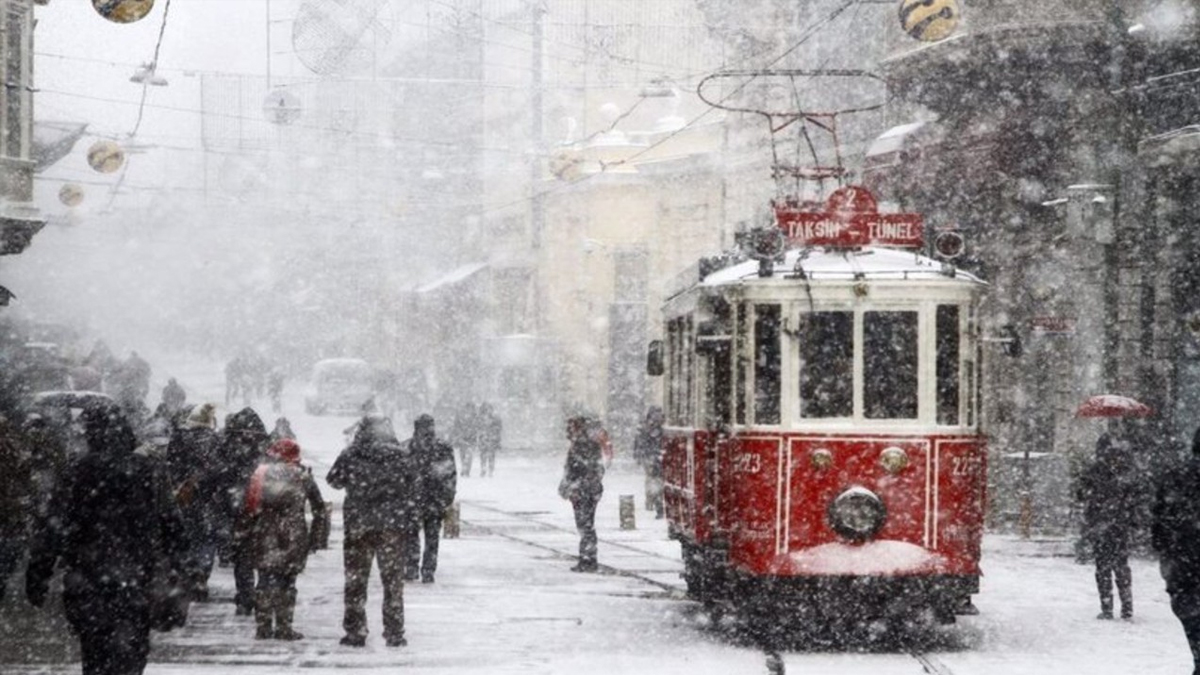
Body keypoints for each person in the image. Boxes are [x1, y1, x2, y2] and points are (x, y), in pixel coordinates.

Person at [26, 402, 187, 675]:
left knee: (95, 650)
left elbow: (52, 526)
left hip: (87, 577)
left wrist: (39, 572)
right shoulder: (149, 470)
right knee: (131, 649)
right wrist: (178, 565)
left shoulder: (77, 471)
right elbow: (172, 523)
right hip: (137, 575)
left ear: (92, 435)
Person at [327, 413, 418, 648]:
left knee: (356, 580)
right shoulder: (401, 456)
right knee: (393, 582)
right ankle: (394, 631)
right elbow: (414, 483)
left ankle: (356, 630)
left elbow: (334, 480)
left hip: (359, 524)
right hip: (392, 525)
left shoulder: (352, 454)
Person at [242, 438, 327, 640]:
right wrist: (316, 539)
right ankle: (284, 627)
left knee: (264, 580)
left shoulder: (260, 474)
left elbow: (248, 506)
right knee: (288, 582)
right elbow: (319, 509)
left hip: (265, 532)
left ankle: (263, 627)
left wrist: (246, 533)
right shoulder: (303, 476)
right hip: (294, 534)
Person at [1153, 426, 1200, 673]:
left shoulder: (1174, 476)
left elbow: (1158, 522)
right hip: (1184, 559)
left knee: (1192, 621)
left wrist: (1166, 554)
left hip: (1183, 563)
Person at [165, 402, 223, 601]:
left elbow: (171, 467)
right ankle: (202, 574)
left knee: (187, 537)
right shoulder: (216, 440)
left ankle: (186, 574)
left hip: (184, 496)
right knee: (207, 538)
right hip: (209, 498)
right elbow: (220, 469)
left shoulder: (180, 438)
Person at [1077, 432, 1137, 619]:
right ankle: (1127, 607)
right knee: (1121, 566)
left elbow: (1081, 494)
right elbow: (1133, 496)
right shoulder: (1125, 469)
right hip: (1119, 524)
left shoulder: (1094, 470)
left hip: (1100, 524)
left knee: (1103, 567)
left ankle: (1107, 607)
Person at [219, 407, 270, 614]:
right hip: (263, 507)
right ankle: (262, 593)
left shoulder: (228, 446)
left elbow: (221, 477)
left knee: (243, 555)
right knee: (265, 554)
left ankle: (245, 596)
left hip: (239, 507)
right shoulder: (265, 448)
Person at [404, 415, 457, 583]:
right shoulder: (442, 447)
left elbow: (400, 475)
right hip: (434, 499)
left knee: (412, 534)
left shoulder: (407, 447)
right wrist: (447, 498)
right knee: (431, 538)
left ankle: (412, 567)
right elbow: (450, 474)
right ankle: (428, 570)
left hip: (413, 498)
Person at [558, 414, 605, 572]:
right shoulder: (589, 445)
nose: (568, 433)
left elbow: (575, 470)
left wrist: (573, 485)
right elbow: (598, 468)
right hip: (589, 490)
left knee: (585, 525)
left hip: (583, 491)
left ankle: (587, 559)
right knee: (586, 524)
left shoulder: (580, 447)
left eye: (570, 429)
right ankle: (588, 557)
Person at [0, 414, 31, 599]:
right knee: (11, 547)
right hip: (13, 510)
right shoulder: (15, 448)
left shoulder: (14, 449)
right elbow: (25, 477)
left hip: (10, 508)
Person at [632, 406, 665, 519]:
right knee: (656, 480)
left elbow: (638, 441)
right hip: (657, 456)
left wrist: (638, 455)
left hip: (650, 456)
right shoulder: (660, 425)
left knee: (651, 479)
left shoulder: (645, 425)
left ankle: (651, 500)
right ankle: (655, 502)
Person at [450, 403, 478, 478]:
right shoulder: (462, 416)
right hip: (464, 438)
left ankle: (466, 470)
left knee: (468, 455)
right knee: (464, 455)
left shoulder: (474, 416)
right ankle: (465, 469)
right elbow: (456, 426)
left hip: (469, 438)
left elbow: (477, 427)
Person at [477, 403, 502, 478]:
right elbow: (477, 427)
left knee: (491, 455)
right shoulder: (480, 418)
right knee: (483, 455)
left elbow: (499, 428)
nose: (488, 410)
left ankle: (490, 470)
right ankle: (483, 469)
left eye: (489, 409)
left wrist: (494, 432)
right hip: (484, 438)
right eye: (486, 409)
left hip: (491, 438)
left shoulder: (495, 418)